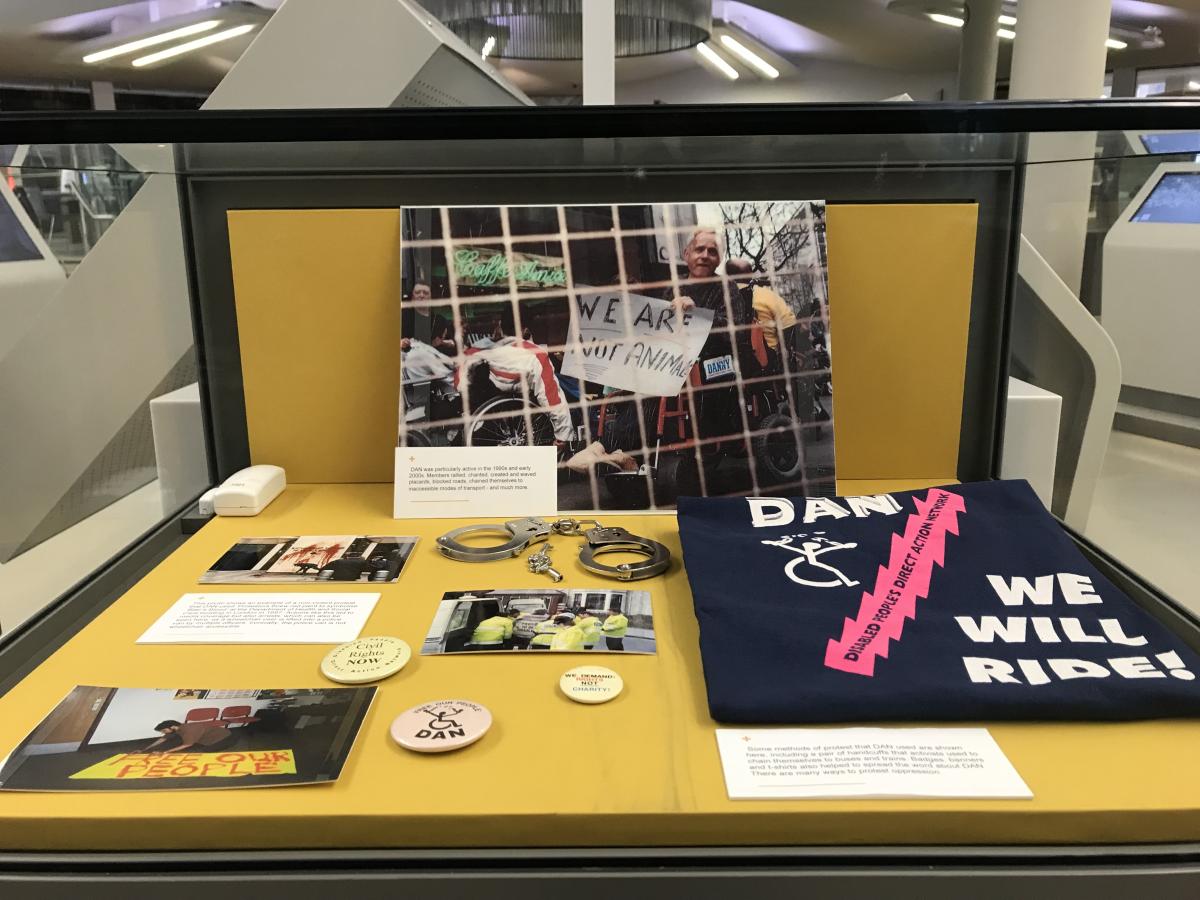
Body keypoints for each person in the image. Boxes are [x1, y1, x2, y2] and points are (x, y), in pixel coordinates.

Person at [456, 327, 574, 444]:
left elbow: (461, 377)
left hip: (492, 394)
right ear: (524, 330)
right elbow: (550, 397)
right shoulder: (535, 353)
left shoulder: (482, 346)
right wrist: (563, 435)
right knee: (554, 390)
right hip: (522, 396)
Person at [725, 257, 796, 366]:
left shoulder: (719, 301)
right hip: (767, 365)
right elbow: (789, 326)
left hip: (730, 367)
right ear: (750, 275)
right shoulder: (767, 296)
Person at [401, 282, 455, 355]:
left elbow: (453, 343)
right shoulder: (402, 316)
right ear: (412, 297)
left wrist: (443, 343)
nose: (422, 295)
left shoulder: (439, 320)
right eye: (417, 292)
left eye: (425, 293)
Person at [143, 719, 234, 754]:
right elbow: (162, 739)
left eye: (163, 730)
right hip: (205, 736)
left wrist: (164, 752)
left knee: (203, 752)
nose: (163, 733)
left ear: (172, 727)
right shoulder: (178, 728)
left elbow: (187, 745)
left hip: (225, 738)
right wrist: (146, 749)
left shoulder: (189, 730)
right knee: (176, 740)